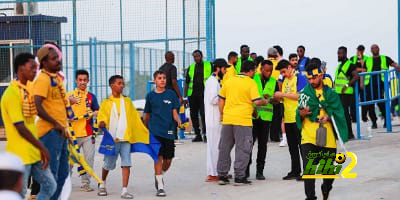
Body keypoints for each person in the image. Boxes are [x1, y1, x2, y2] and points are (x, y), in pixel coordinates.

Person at [1, 53, 56, 200]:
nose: (35, 71)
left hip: (33, 153)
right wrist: (42, 147)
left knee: (50, 186)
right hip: (20, 155)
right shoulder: (11, 94)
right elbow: (20, 127)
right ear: (20, 68)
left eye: (36, 68)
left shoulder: (27, 92)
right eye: (32, 67)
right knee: (18, 194)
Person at [296, 58, 348, 200]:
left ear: (320, 75)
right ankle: (310, 197)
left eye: (313, 78)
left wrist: (329, 117)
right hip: (308, 136)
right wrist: (301, 114)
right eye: (309, 79)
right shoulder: (304, 93)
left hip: (327, 137)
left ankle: (326, 187)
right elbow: (298, 113)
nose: (311, 81)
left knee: (328, 173)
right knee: (309, 169)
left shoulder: (331, 94)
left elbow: (339, 113)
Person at [217, 60, 269, 186]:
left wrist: (222, 114)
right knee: (243, 148)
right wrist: (265, 101)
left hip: (228, 120)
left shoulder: (229, 81)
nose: (254, 73)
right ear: (250, 71)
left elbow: (221, 99)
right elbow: (256, 101)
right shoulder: (251, 83)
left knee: (224, 148)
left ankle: (222, 176)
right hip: (243, 120)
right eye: (254, 71)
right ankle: (239, 176)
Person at [33, 46, 69, 200]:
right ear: (44, 62)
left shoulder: (55, 78)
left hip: (60, 132)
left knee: (63, 173)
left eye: (57, 57)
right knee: (51, 176)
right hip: (49, 133)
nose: (58, 61)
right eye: (53, 59)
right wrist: (55, 124)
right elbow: (37, 105)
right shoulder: (42, 79)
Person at [96, 75, 136, 199]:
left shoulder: (128, 102)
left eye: (123, 83)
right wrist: (101, 123)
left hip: (125, 138)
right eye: (119, 83)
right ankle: (102, 183)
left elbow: (134, 118)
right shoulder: (106, 102)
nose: (122, 86)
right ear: (112, 85)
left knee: (126, 163)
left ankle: (124, 190)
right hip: (112, 139)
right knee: (108, 164)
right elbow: (102, 116)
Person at [144, 71, 181, 197]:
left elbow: (174, 111)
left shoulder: (171, 94)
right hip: (155, 131)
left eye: (164, 78)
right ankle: (160, 186)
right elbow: (147, 114)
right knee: (158, 157)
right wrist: (145, 128)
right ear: (155, 80)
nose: (162, 80)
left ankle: (159, 174)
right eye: (160, 78)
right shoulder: (150, 96)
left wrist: (178, 120)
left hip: (169, 131)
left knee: (168, 160)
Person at [274, 59, 308, 180]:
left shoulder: (300, 78)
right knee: (292, 146)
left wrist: (282, 95)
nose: (283, 74)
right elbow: (285, 99)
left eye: (284, 71)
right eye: (281, 73)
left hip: (298, 117)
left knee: (302, 146)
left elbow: (300, 96)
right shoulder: (284, 81)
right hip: (288, 118)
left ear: (289, 67)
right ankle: (295, 170)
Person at [67, 69, 99, 192]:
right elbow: (61, 110)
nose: (82, 82)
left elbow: (97, 110)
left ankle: (86, 183)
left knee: (89, 159)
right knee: (69, 160)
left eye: (85, 80)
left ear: (88, 81)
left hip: (88, 134)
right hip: (72, 135)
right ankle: (66, 183)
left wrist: (92, 113)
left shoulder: (91, 96)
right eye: (80, 80)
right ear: (76, 80)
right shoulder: (69, 96)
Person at [246, 60, 279, 180]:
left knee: (262, 146)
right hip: (253, 117)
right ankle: (245, 170)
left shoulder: (274, 82)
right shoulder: (252, 78)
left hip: (265, 119)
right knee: (249, 145)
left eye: (271, 71)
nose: (269, 73)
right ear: (261, 69)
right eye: (267, 70)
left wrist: (270, 99)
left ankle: (260, 171)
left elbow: (277, 100)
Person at [363, 44, 400, 128]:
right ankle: (374, 122)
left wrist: (397, 66)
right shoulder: (368, 60)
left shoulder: (385, 58)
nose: (374, 49)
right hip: (370, 84)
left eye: (375, 48)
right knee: (370, 104)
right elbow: (364, 72)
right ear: (370, 50)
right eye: (372, 48)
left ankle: (386, 120)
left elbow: (394, 64)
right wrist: (362, 83)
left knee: (381, 103)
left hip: (381, 84)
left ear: (379, 49)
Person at [204, 59, 228, 182]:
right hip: (213, 119)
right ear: (218, 68)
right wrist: (226, 98)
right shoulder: (212, 82)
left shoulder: (215, 81)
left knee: (218, 146)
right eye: (224, 69)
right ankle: (213, 173)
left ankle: (219, 171)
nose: (225, 71)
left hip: (215, 118)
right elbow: (213, 99)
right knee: (214, 146)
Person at [184, 50, 211, 142]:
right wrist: (185, 97)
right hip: (193, 95)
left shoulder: (209, 65)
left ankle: (206, 134)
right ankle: (197, 134)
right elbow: (187, 82)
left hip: (204, 95)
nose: (196, 58)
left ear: (201, 56)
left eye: (198, 56)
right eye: (195, 57)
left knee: (204, 115)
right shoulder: (191, 67)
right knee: (193, 115)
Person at [159, 51, 186, 140]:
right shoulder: (172, 68)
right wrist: (180, 96)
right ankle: (173, 135)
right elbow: (174, 82)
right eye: (173, 57)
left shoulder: (161, 68)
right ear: (171, 58)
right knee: (174, 115)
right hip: (171, 94)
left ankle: (166, 134)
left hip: (162, 93)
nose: (174, 58)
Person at [334, 47, 359, 139]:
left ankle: (350, 134)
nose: (338, 55)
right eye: (338, 53)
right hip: (338, 93)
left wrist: (348, 85)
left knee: (345, 113)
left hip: (347, 93)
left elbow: (356, 76)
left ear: (345, 54)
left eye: (340, 53)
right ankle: (341, 133)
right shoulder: (340, 66)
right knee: (339, 113)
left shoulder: (350, 65)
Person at [267, 47, 283, 143]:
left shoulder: (263, 63)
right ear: (276, 55)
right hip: (277, 88)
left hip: (266, 89)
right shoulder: (279, 64)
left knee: (266, 113)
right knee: (277, 115)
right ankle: (275, 136)